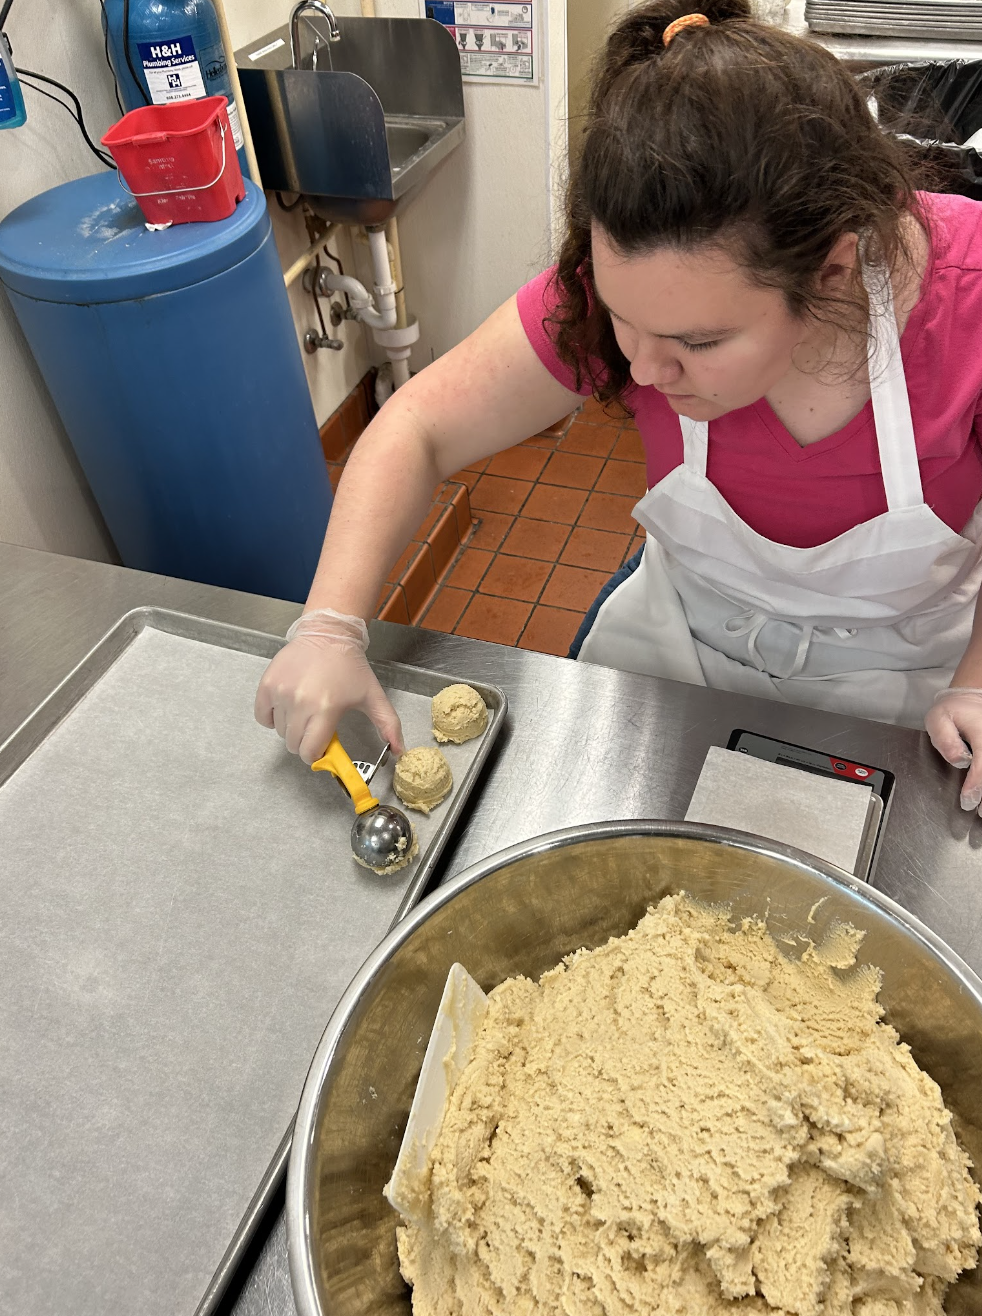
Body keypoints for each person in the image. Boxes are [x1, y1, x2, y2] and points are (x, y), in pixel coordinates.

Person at [256, 0, 982, 812]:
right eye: (624, 322)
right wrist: (330, 625)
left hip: (913, 679)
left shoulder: (971, 302)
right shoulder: (626, 304)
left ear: (833, 273)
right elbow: (417, 426)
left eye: (697, 343)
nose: (642, 366)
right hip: (682, 647)